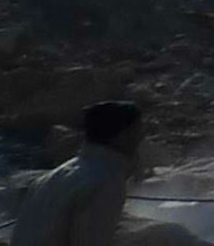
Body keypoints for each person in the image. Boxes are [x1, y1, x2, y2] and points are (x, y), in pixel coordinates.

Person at [17, 102, 142, 246]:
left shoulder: (54, 176)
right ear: (122, 135)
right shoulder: (105, 181)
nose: (141, 136)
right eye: (137, 129)